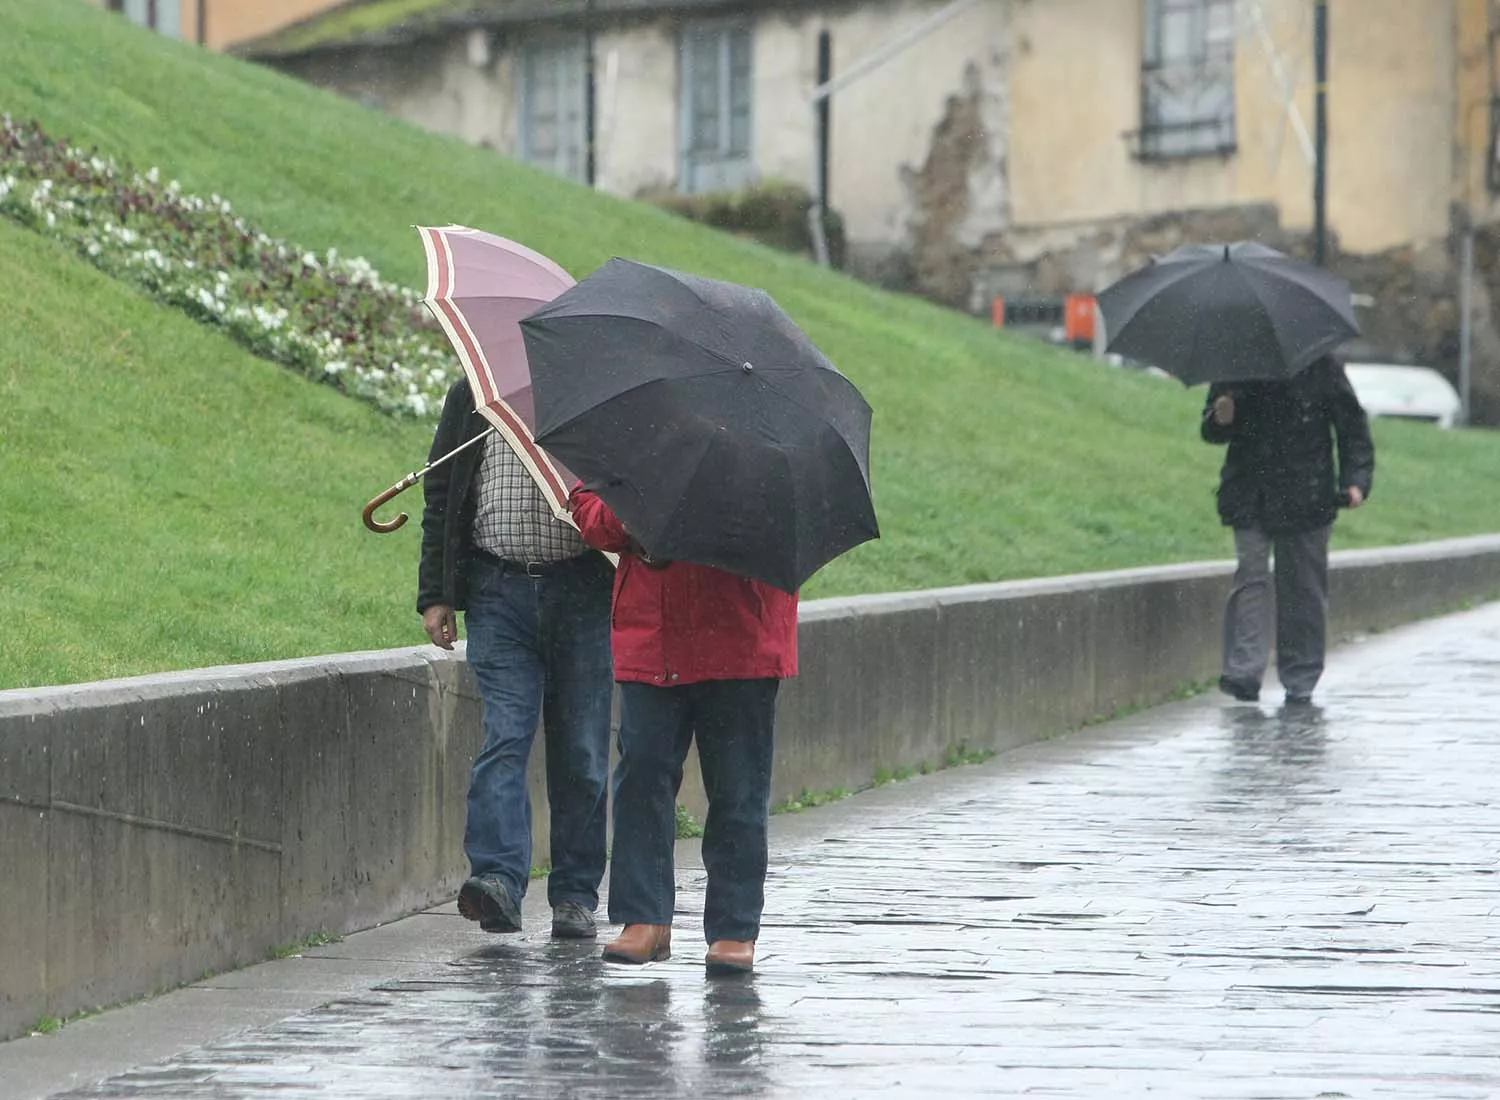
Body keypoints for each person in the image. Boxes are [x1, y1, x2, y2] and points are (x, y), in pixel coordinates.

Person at [569, 485, 799, 976]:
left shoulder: (763, 446)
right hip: (653, 634)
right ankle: (644, 918)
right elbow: (588, 511)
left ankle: (735, 927)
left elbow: (793, 525)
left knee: (738, 788)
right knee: (641, 779)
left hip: (744, 637)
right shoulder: (631, 430)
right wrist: (638, 513)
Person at [418, 378, 614, 940]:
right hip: (497, 592)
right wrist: (437, 591)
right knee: (504, 736)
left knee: (580, 751)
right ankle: (498, 880)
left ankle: (575, 893)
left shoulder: (592, 397)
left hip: (583, 593)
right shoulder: (473, 396)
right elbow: (442, 492)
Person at [1201, 354, 1375, 706]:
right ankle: (1243, 672)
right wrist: (1221, 416)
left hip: (1306, 492)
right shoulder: (1237, 363)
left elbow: (1351, 426)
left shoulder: (1321, 365)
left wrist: (1356, 481)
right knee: (1251, 576)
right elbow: (1212, 430)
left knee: (1303, 585)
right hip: (1251, 490)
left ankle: (1300, 675)